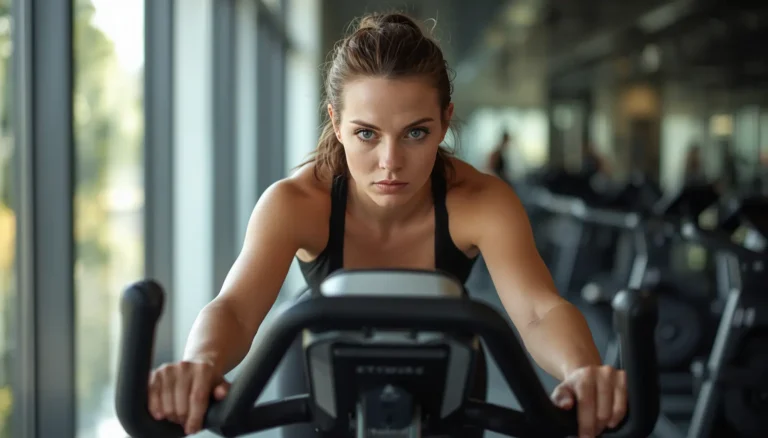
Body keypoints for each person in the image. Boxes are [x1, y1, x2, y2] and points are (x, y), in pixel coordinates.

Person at [147, 12, 627, 438]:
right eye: (366, 134)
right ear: (336, 123)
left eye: (416, 132)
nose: (390, 162)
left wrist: (582, 371)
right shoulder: (296, 202)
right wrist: (200, 365)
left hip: (447, 374)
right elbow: (234, 308)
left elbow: (539, 311)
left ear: (445, 121)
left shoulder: (481, 201)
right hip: (317, 380)